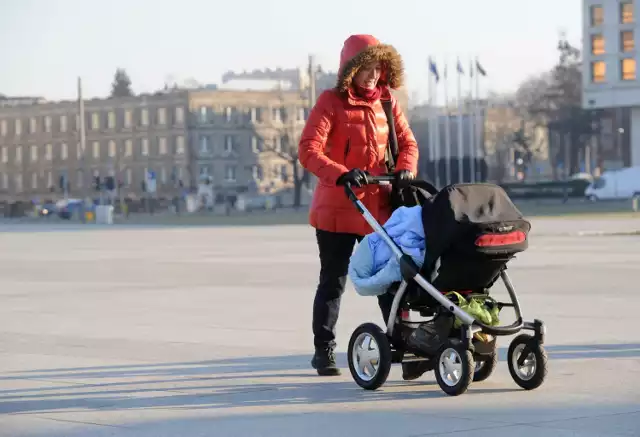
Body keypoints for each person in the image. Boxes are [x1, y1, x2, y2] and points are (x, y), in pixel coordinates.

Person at [298, 34, 428, 380]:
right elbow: (309, 149)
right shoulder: (330, 102)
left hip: (378, 207)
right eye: (366, 69)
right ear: (351, 69)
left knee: (391, 278)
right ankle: (323, 349)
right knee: (333, 281)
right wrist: (341, 174)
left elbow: (409, 143)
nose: (372, 76)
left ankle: (402, 342)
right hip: (338, 207)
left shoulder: (387, 103)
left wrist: (405, 169)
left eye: (377, 69)